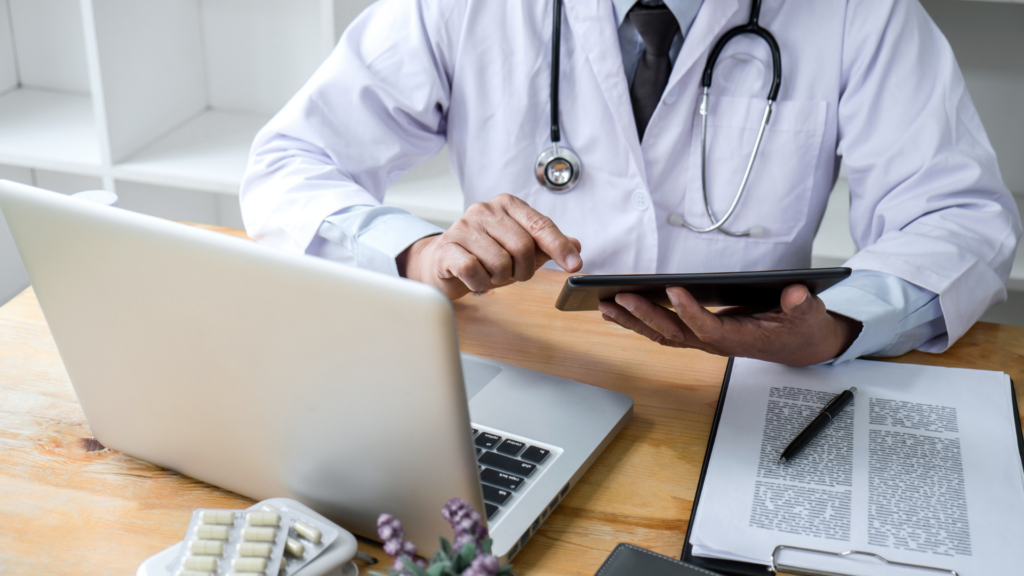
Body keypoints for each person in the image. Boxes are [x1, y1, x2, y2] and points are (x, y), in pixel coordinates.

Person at [240, 0, 1020, 367]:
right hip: (529, 364)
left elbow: (960, 217)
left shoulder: (862, 12)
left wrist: (842, 326)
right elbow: (288, 164)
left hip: (753, 383)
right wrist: (416, 253)